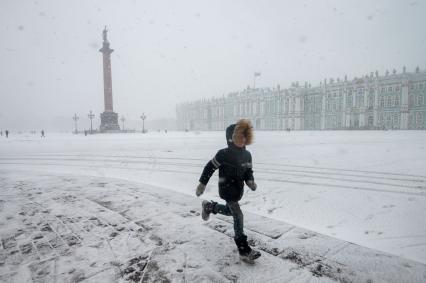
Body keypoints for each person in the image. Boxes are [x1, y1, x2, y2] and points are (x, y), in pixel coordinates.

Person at [196, 119, 261, 262]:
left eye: (245, 136)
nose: (243, 139)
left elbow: (248, 170)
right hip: (226, 189)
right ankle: (243, 249)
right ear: (231, 138)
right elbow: (209, 167)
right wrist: (202, 183)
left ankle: (209, 207)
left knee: (229, 211)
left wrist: (250, 181)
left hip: (238, 190)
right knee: (238, 215)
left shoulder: (247, 155)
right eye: (239, 136)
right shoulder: (223, 154)